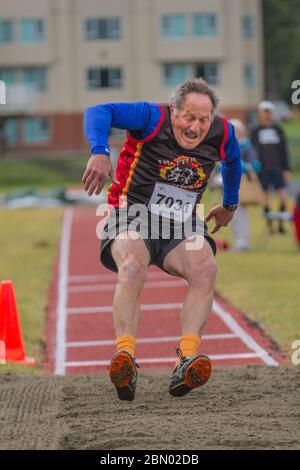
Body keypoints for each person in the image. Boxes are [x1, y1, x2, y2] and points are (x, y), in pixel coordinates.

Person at [83, 78, 241, 401]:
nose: (195, 128)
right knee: (132, 266)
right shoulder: (151, 118)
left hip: (182, 223)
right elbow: (98, 111)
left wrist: (230, 204)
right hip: (133, 213)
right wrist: (100, 152)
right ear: (174, 111)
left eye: (203, 120)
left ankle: (187, 358)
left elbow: (233, 162)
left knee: (205, 269)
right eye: (188, 117)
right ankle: (125, 358)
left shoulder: (223, 133)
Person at [251, 101, 291, 234]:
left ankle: (280, 225)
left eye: (269, 112)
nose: (267, 115)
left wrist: (286, 168)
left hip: (278, 169)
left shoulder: (278, 130)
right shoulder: (256, 131)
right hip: (263, 170)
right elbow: (252, 151)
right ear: (260, 114)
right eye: (264, 112)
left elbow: (284, 150)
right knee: (265, 197)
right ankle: (270, 226)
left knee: (283, 197)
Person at [230, 119, 260, 251]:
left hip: (242, 185)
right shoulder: (230, 147)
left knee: (240, 214)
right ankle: (238, 240)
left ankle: (243, 242)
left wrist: (239, 166)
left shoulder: (247, 147)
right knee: (232, 215)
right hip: (230, 185)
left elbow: (256, 166)